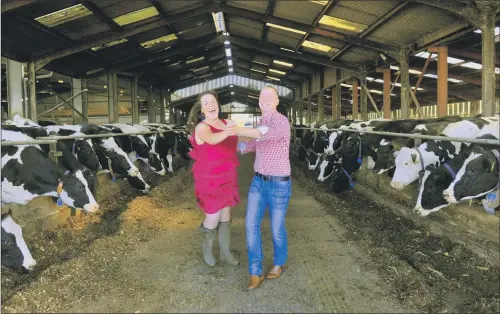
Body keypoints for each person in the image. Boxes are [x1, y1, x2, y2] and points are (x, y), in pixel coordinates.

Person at [225, 85, 292, 290]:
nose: (265, 99)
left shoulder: (280, 121)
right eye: (262, 96)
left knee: (276, 228)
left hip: (279, 184)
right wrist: (228, 141)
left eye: (270, 96)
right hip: (258, 182)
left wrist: (235, 129)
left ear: (277, 101)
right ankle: (255, 271)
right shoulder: (261, 121)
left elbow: (262, 135)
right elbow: (250, 145)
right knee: (250, 226)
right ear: (259, 101)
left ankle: (279, 263)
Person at [186, 90, 240, 267]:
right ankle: (207, 249)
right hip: (209, 178)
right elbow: (213, 139)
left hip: (228, 175)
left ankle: (225, 251)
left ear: (218, 104)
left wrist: (259, 133)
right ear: (202, 110)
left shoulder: (228, 123)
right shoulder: (202, 127)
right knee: (213, 214)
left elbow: (240, 137)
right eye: (206, 103)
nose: (211, 105)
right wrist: (229, 130)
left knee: (226, 212)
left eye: (213, 101)